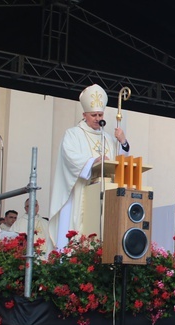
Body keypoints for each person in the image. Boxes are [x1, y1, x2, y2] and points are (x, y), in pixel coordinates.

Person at [49, 84, 130, 252]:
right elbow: (70, 157)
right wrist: (93, 161)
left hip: (105, 195)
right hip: (81, 192)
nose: (97, 118)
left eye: (100, 114)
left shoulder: (108, 138)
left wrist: (123, 142)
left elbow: (119, 162)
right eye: (93, 115)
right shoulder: (73, 134)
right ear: (84, 115)